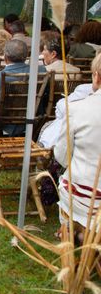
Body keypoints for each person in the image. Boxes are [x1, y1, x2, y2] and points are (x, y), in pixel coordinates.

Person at [54, 52, 101, 230]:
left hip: (84, 196)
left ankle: (74, 234)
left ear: (96, 77)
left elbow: (62, 156)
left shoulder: (76, 109)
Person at [0, 39, 46, 139]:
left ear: (5, 57)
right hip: (32, 114)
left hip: (4, 117)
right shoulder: (41, 71)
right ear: (26, 56)